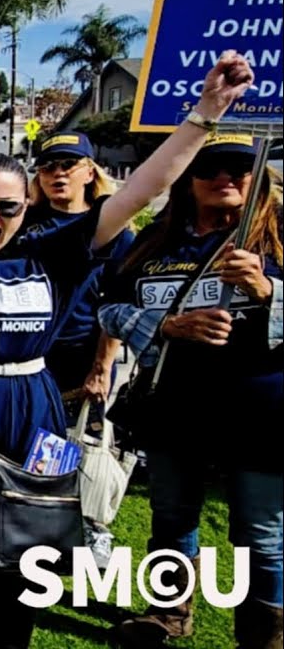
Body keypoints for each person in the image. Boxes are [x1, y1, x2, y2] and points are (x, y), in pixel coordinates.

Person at [0, 50, 254, 649]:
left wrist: (205, 113)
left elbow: (144, 188)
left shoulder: (56, 252)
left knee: (24, 544)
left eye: (6, 207)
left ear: (24, 206)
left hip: (33, 406)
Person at [99, 132, 282, 648]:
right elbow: (109, 309)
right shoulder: (154, 241)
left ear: (257, 176)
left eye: (238, 169)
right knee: (171, 517)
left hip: (262, 412)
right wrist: (164, 326)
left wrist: (268, 291)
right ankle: (168, 613)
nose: (224, 178)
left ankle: (265, 637)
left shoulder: (278, 236)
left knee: (261, 534)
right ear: (187, 179)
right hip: (174, 408)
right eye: (208, 168)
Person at [18, 131, 135, 567]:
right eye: (48, 166)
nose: (58, 174)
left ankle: (92, 527)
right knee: (37, 445)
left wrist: (102, 366)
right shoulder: (27, 223)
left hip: (82, 356)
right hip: (30, 355)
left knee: (84, 445)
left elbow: (118, 304)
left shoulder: (114, 229)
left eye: (68, 164)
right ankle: (38, 523)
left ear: (90, 171)